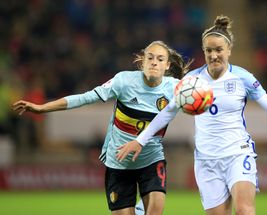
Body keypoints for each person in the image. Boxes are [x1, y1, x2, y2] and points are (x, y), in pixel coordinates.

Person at [116, 15, 267, 215]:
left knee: (244, 210)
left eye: (219, 50)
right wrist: (140, 141)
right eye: (209, 50)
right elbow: (167, 113)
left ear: (229, 50)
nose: (214, 55)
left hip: (237, 153)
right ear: (203, 51)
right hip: (206, 160)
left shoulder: (242, 77)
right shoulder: (192, 80)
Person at [12, 40, 191, 215]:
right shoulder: (124, 81)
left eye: (160, 59)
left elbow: (205, 100)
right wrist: (43, 107)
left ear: (167, 66)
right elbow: (85, 98)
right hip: (119, 162)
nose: (154, 62)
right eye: (150, 57)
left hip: (151, 159)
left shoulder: (175, 88)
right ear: (142, 61)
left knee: (156, 209)